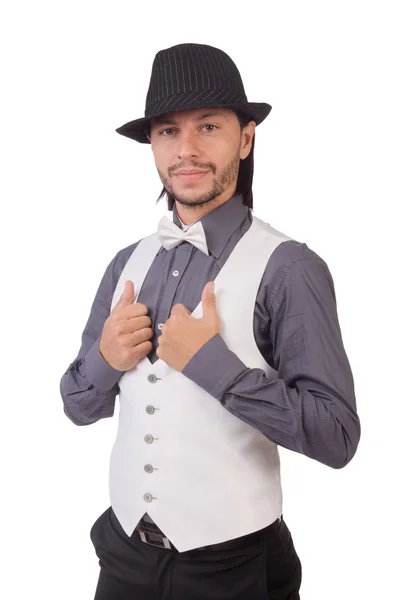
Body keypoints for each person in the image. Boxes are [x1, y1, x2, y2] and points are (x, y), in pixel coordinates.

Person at [60, 42, 361, 600]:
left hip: (234, 569)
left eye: (209, 126)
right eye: (168, 131)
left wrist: (216, 369)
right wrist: (105, 362)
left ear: (245, 138)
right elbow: (78, 406)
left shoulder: (290, 268)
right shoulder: (125, 264)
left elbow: (337, 436)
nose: (187, 150)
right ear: (152, 144)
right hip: (123, 559)